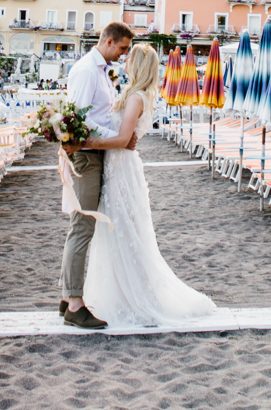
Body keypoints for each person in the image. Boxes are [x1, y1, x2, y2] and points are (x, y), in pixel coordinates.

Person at [80, 43, 216, 328]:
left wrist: (86, 143)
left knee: (125, 231)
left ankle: (134, 297)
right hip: (118, 167)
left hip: (121, 169)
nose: (124, 60)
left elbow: (122, 140)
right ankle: (121, 294)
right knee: (120, 231)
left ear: (139, 64)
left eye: (129, 57)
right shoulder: (135, 94)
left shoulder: (136, 97)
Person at [57, 21, 135, 330]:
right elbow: (78, 118)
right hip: (87, 155)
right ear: (110, 41)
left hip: (94, 153)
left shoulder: (100, 70)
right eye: (123, 48)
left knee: (81, 225)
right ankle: (75, 304)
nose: (124, 54)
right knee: (82, 226)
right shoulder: (88, 71)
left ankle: (67, 298)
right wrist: (116, 137)